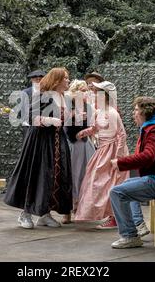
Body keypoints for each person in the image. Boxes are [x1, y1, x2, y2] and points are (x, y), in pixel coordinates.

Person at [109, 96, 155, 248]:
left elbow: (148, 156)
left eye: (136, 110)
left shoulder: (153, 132)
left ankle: (130, 236)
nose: (133, 113)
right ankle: (138, 224)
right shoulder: (154, 128)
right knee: (125, 185)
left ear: (145, 112)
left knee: (116, 192)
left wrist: (120, 163)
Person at [4, 67, 72, 229]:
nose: (68, 80)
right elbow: (27, 115)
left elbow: (65, 118)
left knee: (54, 176)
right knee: (36, 174)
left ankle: (45, 213)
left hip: (57, 140)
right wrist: (47, 120)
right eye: (66, 78)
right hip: (39, 141)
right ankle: (25, 214)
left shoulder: (63, 97)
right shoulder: (41, 95)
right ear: (57, 80)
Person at [74, 81, 129, 229]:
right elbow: (95, 128)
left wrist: (117, 157)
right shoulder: (99, 112)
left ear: (105, 96)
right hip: (102, 150)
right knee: (96, 182)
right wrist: (82, 133)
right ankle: (102, 214)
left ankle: (114, 217)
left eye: (98, 94)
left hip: (112, 150)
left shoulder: (112, 113)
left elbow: (121, 135)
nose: (94, 96)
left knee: (110, 183)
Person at [62, 79, 96, 224]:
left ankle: (80, 209)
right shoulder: (68, 105)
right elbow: (65, 126)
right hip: (72, 144)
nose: (84, 93)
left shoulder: (88, 107)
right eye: (81, 90)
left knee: (85, 175)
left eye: (85, 90)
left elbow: (92, 126)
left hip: (85, 144)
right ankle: (66, 211)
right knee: (71, 175)